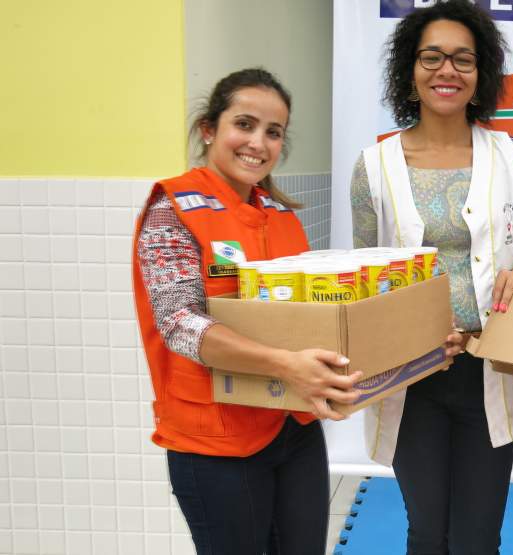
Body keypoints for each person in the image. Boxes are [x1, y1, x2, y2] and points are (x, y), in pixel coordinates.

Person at [132, 68, 362, 555]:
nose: (258, 142)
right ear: (209, 129)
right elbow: (178, 323)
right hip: (216, 442)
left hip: (290, 427)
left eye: (273, 132)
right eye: (245, 124)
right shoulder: (172, 208)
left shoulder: (279, 216)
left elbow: (303, 314)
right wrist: (287, 366)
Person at [349, 2, 513, 553]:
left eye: (463, 59)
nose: (447, 71)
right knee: (427, 531)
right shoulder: (375, 165)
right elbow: (365, 276)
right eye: (432, 57)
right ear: (410, 71)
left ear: (480, 75)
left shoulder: (509, 157)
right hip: (412, 375)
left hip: (489, 365)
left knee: (479, 536)